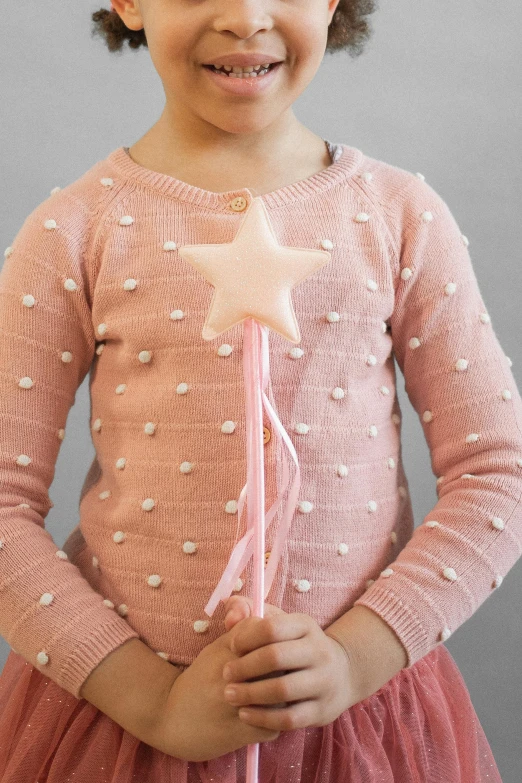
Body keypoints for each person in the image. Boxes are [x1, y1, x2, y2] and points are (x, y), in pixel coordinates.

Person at [0, 0, 517, 779]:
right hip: (119, 724)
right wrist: (153, 703)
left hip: (361, 728)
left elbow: (497, 477)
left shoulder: (400, 217)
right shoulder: (75, 231)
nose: (246, 17)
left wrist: (355, 658)